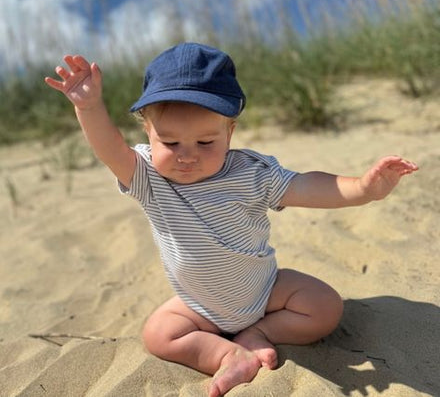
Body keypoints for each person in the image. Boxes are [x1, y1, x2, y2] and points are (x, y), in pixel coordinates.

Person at [45, 42, 418, 397]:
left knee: (325, 306)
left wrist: (363, 189)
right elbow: (109, 147)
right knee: (159, 334)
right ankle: (226, 355)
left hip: (266, 292)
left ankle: (258, 333)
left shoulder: (251, 173)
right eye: (170, 143)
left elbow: (307, 187)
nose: (187, 156)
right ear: (148, 132)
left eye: (206, 143)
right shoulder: (147, 177)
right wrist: (89, 107)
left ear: (230, 131)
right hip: (198, 306)